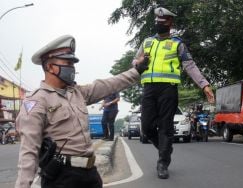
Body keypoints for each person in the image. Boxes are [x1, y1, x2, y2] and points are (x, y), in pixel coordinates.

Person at [15, 35, 148, 188]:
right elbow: (28, 152)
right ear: (50, 66)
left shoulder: (77, 93)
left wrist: (136, 71)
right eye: (67, 63)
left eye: (73, 63)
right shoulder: (37, 101)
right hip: (61, 178)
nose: (72, 68)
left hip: (90, 174)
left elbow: (110, 84)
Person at [133, 7, 215, 179]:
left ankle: (163, 162)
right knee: (147, 127)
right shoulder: (147, 42)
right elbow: (135, 60)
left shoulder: (178, 44)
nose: (159, 24)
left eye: (162, 22)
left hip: (168, 89)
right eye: (157, 22)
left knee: (165, 127)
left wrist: (204, 85)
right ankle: (166, 148)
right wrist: (138, 63)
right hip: (148, 88)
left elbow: (190, 66)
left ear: (170, 23)